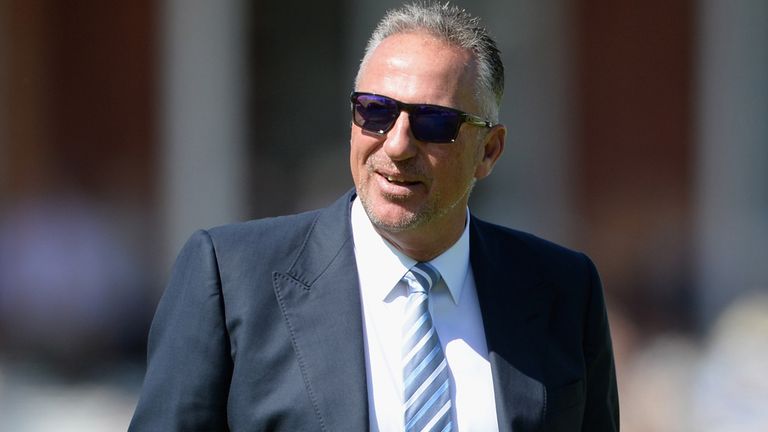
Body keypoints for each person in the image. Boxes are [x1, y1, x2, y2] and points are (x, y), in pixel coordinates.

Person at [129, 2, 619, 431]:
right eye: (376, 111)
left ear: (489, 151)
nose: (398, 144)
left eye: (434, 122)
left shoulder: (563, 290)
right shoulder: (231, 277)